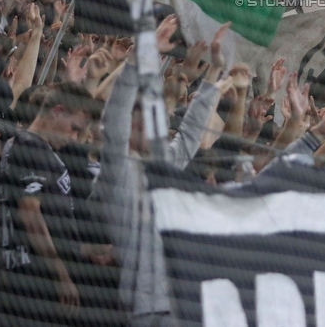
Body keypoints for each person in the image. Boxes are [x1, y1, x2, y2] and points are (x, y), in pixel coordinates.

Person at [89, 22, 230, 326]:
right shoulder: (118, 172)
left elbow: (191, 134)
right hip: (146, 310)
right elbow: (114, 119)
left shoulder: (161, 167)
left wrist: (214, 72)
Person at [0, 81, 105, 324]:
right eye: (74, 128)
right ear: (56, 111)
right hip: (35, 277)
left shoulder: (40, 148)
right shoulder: (30, 145)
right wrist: (62, 276)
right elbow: (30, 215)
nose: (74, 137)